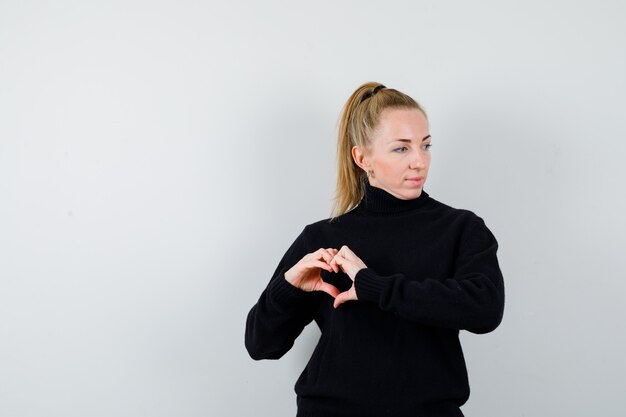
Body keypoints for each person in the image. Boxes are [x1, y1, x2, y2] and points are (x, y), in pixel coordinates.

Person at [244, 82, 505, 417]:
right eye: (402, 149)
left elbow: (485, 309)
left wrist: (372, 285)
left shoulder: (460, 229)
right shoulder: (322, 239)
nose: (419, 162)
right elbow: (261, 345)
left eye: (425, 146)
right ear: (362, 157)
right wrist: (288, 288)